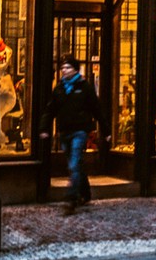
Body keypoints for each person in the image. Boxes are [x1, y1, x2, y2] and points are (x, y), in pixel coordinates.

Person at [39, 55, 107, 216]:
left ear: (75, 70)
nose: (64, 70)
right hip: (64, 132)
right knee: (75, 164)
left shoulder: (84, 87)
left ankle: (71, 198)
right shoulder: (60, 88)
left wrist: (106, 131)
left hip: (80, 132)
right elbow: (50, 110)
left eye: (67, 68)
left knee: (74, 164)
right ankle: (85, 192)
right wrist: (44, 128)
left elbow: (97, 109)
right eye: (63, 68)